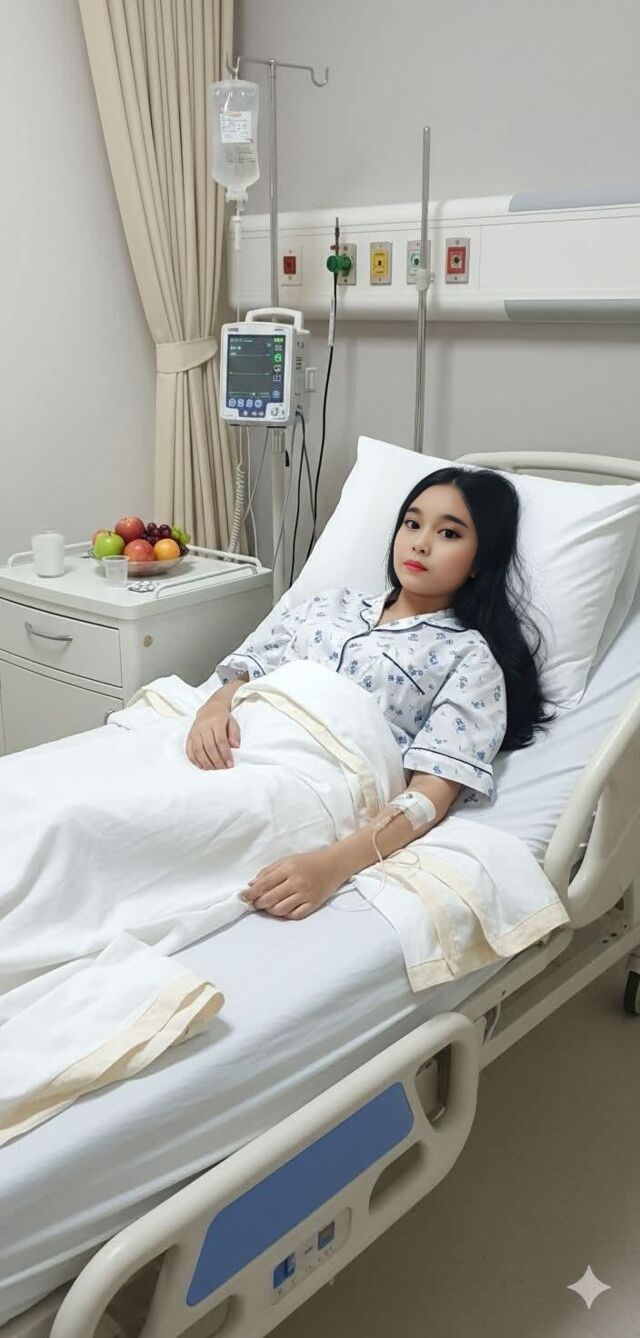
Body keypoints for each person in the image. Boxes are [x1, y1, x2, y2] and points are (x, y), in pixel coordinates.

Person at [186, 467, 557, 921]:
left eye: (448, 533)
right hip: (231, 747)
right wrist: (212, 710)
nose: (420, 543)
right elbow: (248, 670)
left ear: (480, 559)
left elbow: (430, 796)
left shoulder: (469, 658)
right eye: (412, 524)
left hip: (308, 783)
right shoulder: (332, 604)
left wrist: (331, 866)